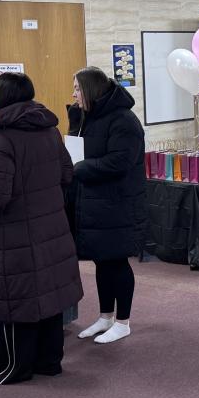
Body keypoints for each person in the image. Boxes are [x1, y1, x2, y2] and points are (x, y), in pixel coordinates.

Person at [0, 73, 83, 384]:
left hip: (13, 233)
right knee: (49, 297)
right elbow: (66, 174)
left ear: (0, 98)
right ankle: (49, 362)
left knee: (15, 301)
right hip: (51, 227)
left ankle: (12, 370)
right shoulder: (50, 128)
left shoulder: (1, 138)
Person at [68, 67, 148, 344]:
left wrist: (80, 168)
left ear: (90, 90)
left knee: (117, 262)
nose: (73, 94)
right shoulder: (87, 118)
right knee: (102, 261)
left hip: (118, 204)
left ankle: (123, 321)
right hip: (95, 203)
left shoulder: (124, 120)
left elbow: (119, 162)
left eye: (77, 89)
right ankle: (105, 317)